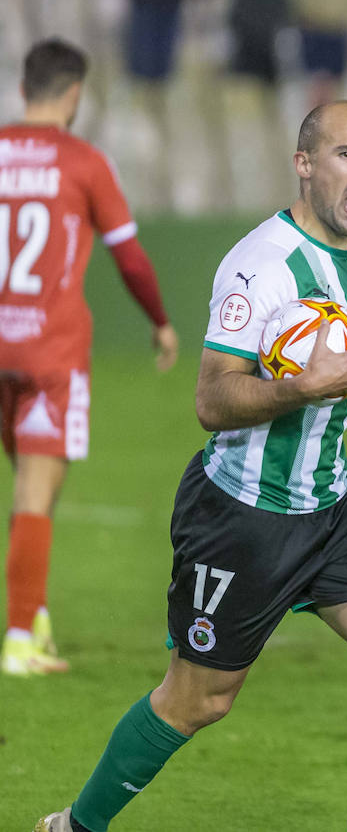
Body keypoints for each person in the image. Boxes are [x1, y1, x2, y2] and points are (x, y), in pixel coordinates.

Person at [37, 101, 347, 832]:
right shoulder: (260, 265)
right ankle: (76, 826)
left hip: (331, 499)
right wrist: (303, 386)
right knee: (198, 701)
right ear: (304, 163)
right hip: (243, 515)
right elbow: (212, 401)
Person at [1, 38, 178, 678]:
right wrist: (160, 322)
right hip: (50, 353)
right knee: (35, 491)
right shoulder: (84, 162)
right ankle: (19, 637)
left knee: (28, 487)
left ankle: (34, 612)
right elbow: (128, 257)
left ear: (25, 89)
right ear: (74, 94)